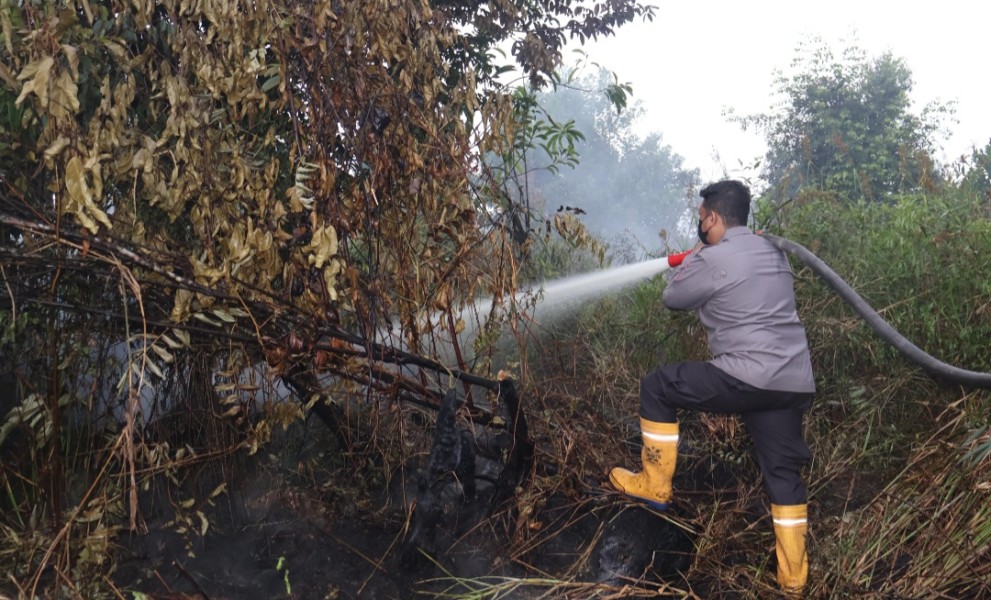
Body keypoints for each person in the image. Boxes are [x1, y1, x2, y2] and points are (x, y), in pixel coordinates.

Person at [609, 179, 816, 594]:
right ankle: (793, 580)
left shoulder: (712, 256)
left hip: (745, 376)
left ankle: (654, 484)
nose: (699, 225)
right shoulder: (773, 252)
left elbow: (674, 297)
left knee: (658, 386)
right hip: (792, 382)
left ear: (714, 218)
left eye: (702, 219)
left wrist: (699, 254)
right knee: (782, 473)